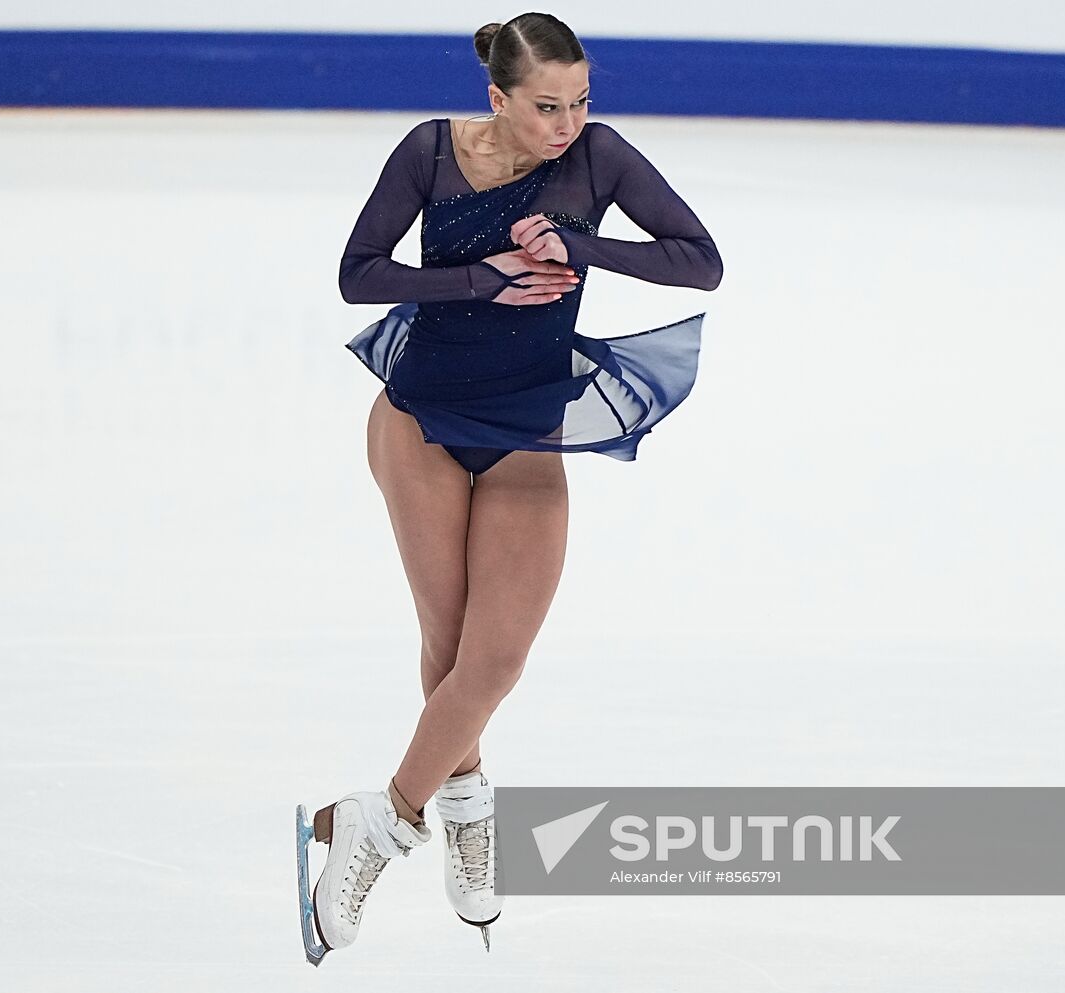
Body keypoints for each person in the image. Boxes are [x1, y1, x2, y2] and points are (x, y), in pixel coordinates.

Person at [301, 12, 722, 961]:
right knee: (450, 645)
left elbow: (702, 261)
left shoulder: (600, 158)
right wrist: (479, 278)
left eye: (579, 101)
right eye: (544, 107)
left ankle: (381, 821)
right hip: (420, 422)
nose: (566, 124)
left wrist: (586, 248)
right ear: (497, 99)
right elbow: (358, 276)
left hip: (532, 423)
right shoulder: (429, 153)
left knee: (491, 663)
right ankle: (466, 812)